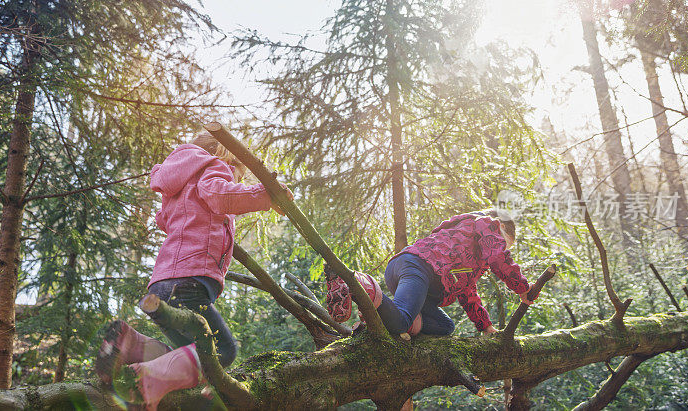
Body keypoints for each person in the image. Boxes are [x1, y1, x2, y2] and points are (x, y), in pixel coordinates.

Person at [95, 130, 292, 410]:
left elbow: (164, 220)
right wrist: (266, 195)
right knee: (222, 351)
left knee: (189, 355)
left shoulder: (180, 181)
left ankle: (131, 344)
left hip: (163, 283)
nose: (236, 178)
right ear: (221, 155)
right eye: (238, 170)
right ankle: (145, 381)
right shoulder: (213, 167)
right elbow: (221, 196)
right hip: (189, 281)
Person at [326, 210, 533, 336]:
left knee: (444, 326)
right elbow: (498, 257)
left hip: (412, 273)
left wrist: (485, 326)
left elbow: (468, 294)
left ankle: (381, 315)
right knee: (401, 322)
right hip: (418, 267)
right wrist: (523, 288)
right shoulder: (489, 225)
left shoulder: (471, 260)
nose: (501, 249)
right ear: (502, 227)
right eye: (505, 245)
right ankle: (357, 282)